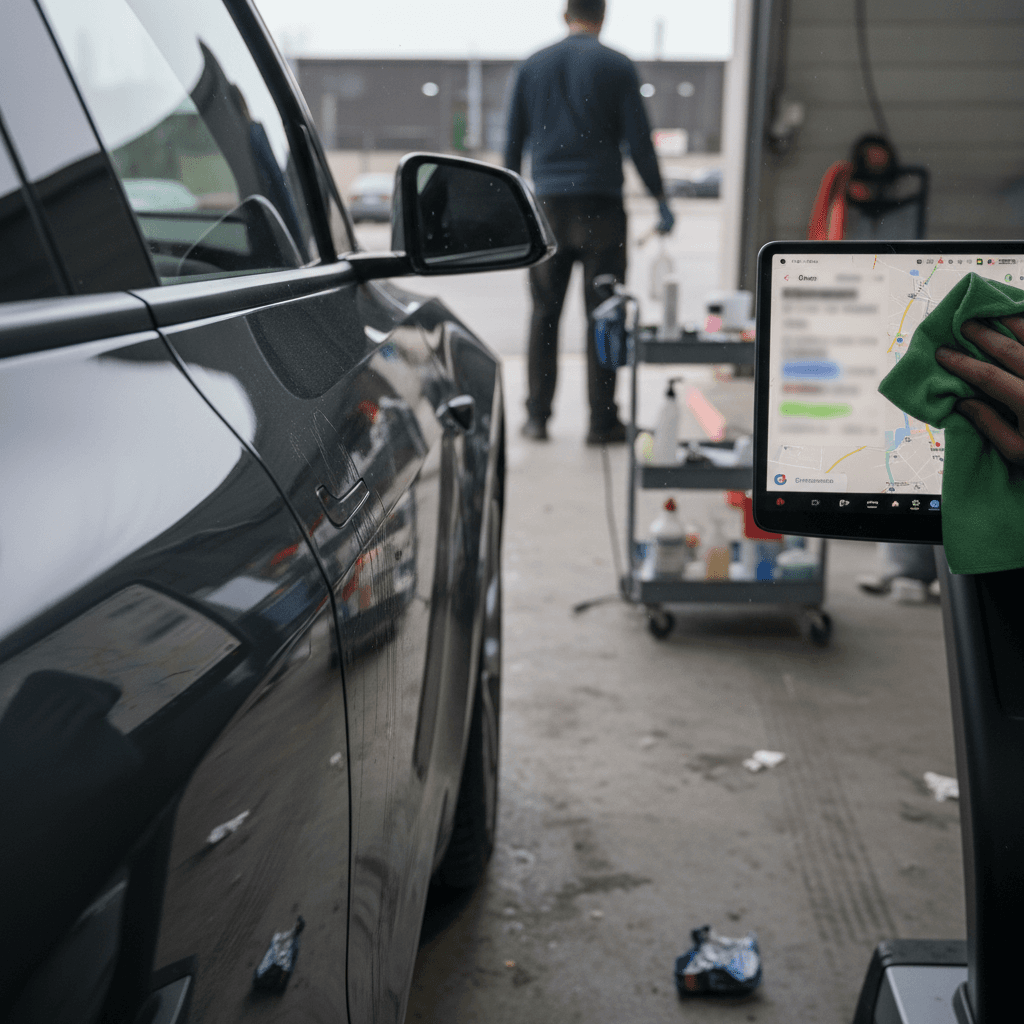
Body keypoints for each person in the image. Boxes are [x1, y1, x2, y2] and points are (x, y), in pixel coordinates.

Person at [504, 0, 675, 444]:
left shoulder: (532, 65)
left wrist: (508, 203)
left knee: (544, 313)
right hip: (602, 207)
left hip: (548, 209)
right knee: (604, 314)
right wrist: (660, 198)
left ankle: (538, 417)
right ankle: (602, 423)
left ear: (566, 17)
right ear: (603, 17)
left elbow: (511, 142)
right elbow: (639, 140)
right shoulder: (617, 66)